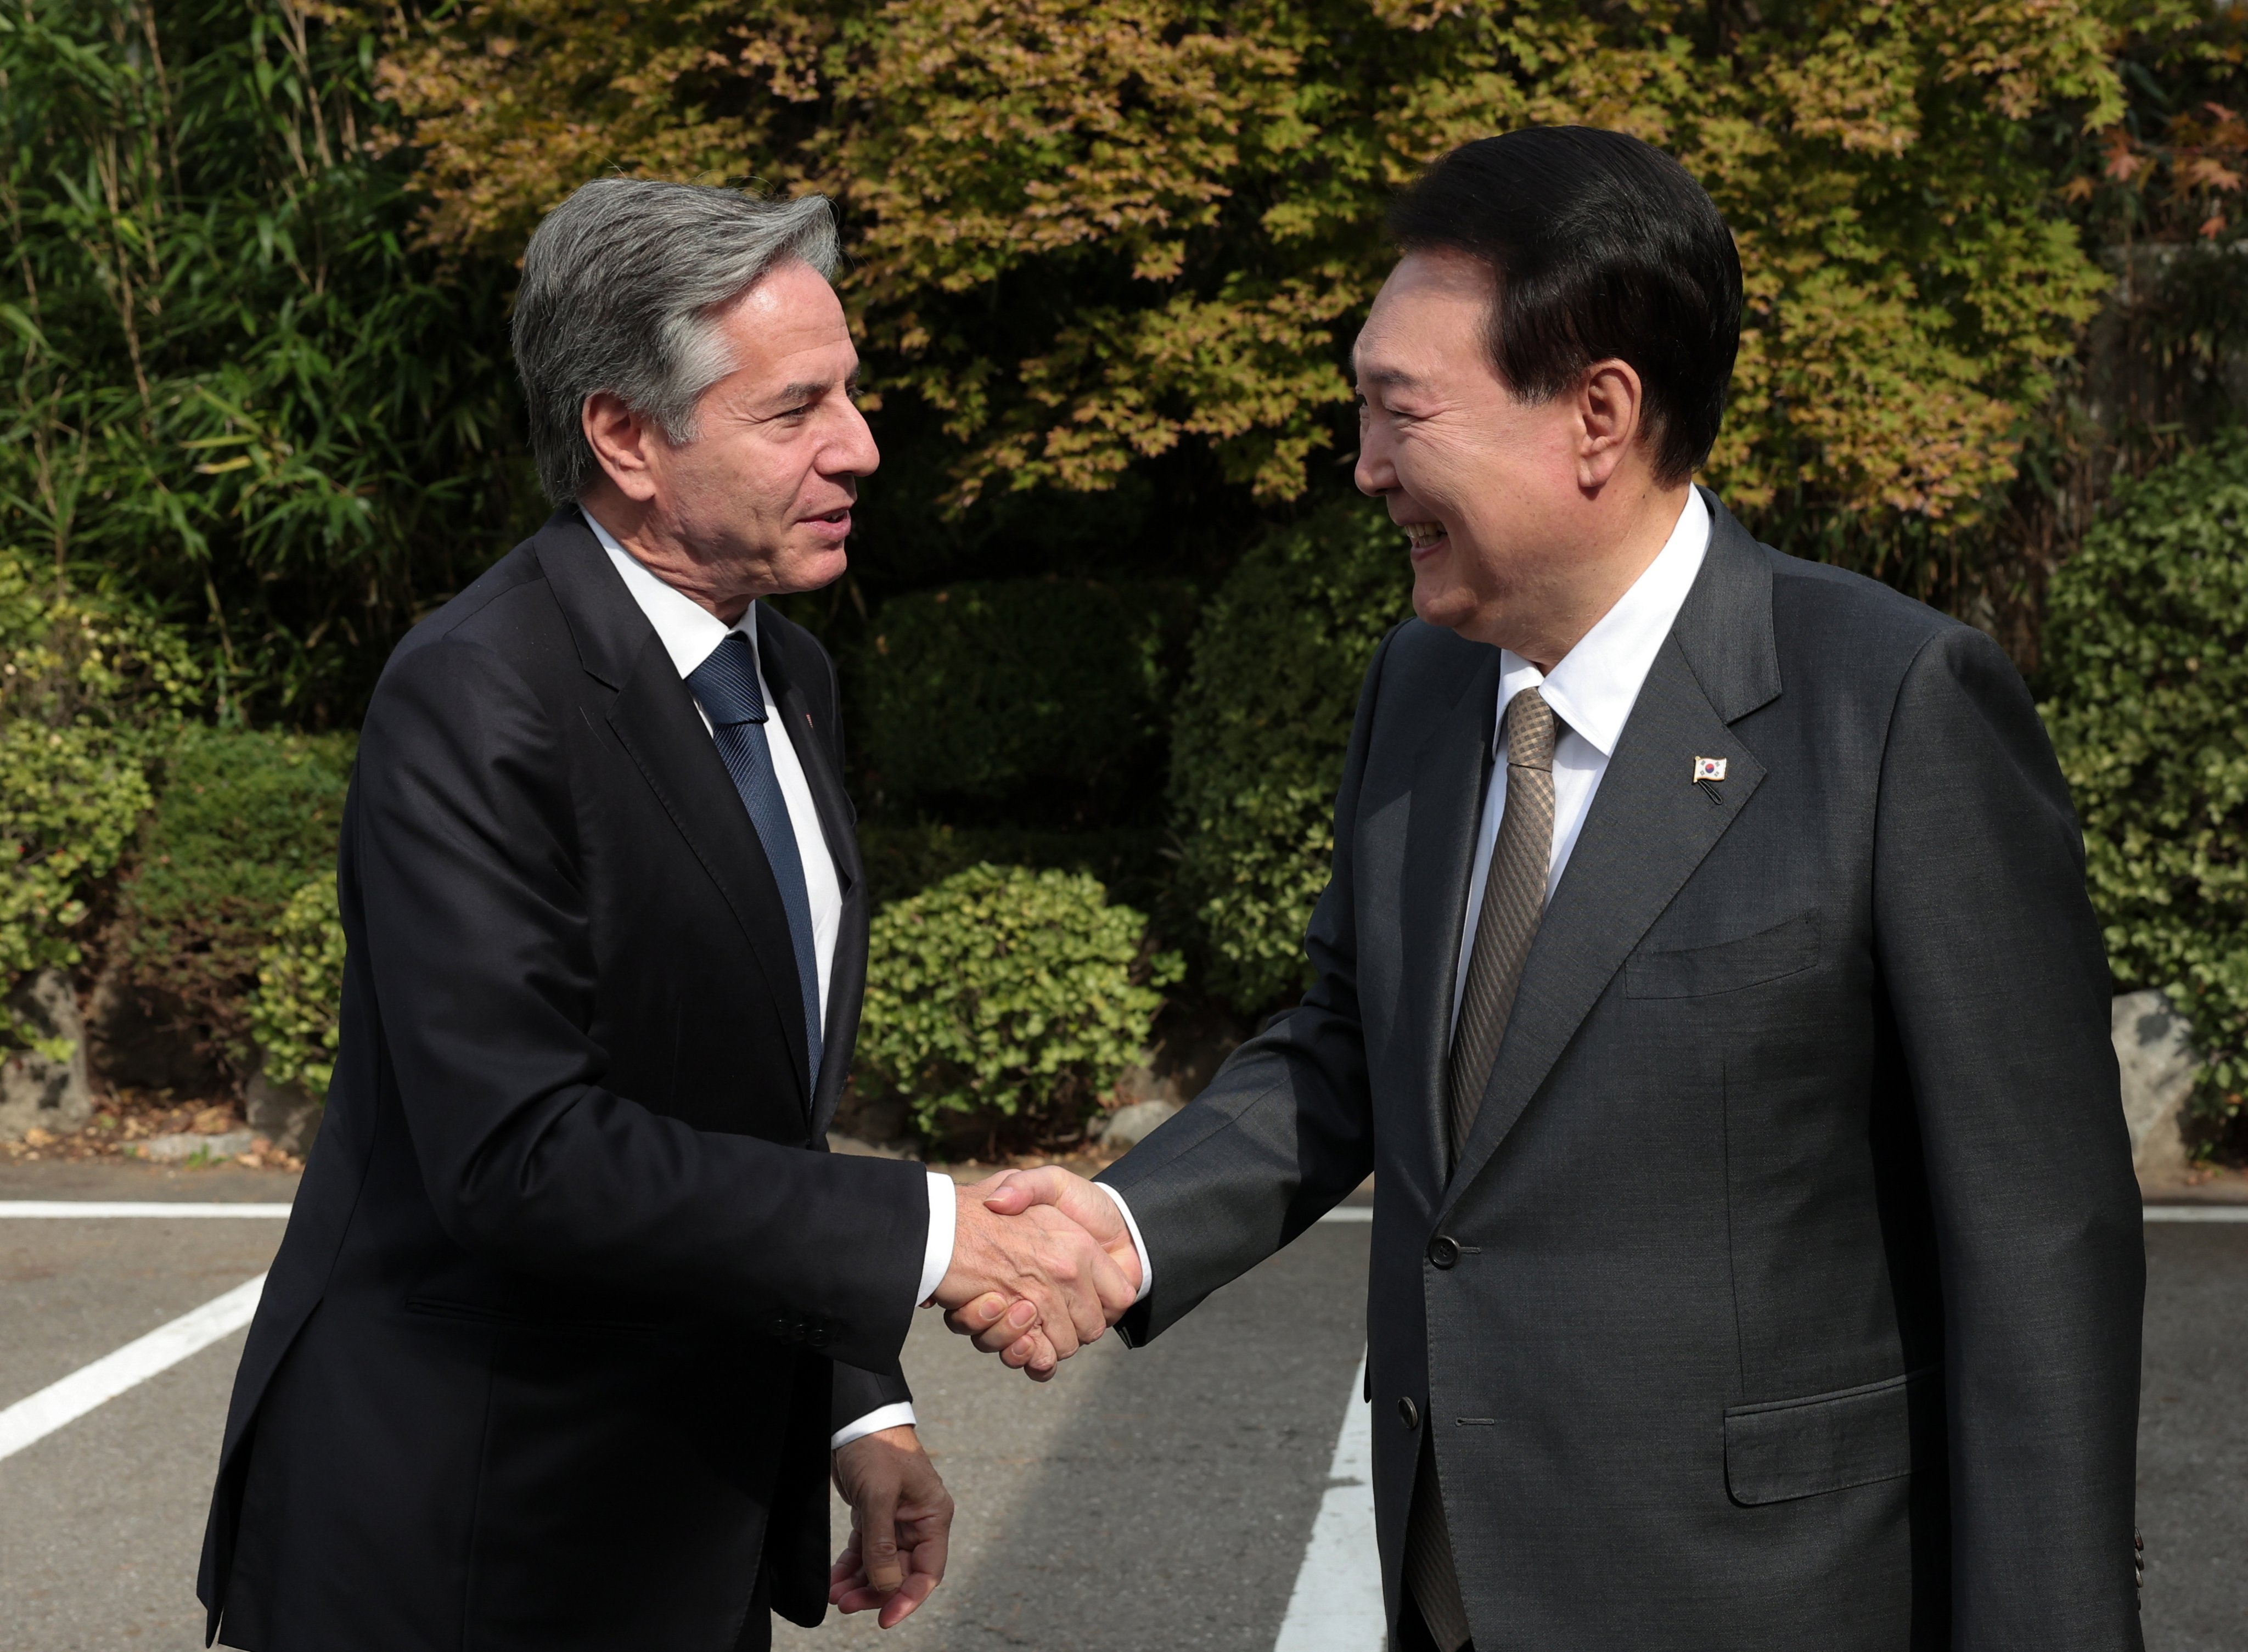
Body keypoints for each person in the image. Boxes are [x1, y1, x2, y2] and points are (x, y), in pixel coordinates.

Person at [957, 127, 2146, 1651]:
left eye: (1401, 412)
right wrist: (1121, 1231)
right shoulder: (1423, 687)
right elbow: (1347, 1044)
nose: (1366, 466)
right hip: (1453, 1598)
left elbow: (2041, 1250)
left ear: (1599, 414)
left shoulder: (1895, 706)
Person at [195, 179, 1135, 1652]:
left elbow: (742, 1108)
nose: (861, 446)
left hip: (675, 1533)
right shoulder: (478, 691)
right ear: (625, 436)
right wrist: (935, 1227)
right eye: (796, 408)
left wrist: (857, 1401)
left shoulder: (793, 678)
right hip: (466, 1546)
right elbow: (517, 1153)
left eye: (854, 393)